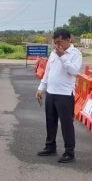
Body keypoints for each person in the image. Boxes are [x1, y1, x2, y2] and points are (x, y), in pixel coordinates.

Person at [35, 29, 82, 163]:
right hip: (51, 92)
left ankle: (69, 152)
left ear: (69, 40)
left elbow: (73, 71)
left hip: (65, 94)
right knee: (50, 121)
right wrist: (41, 88)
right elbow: (47, 72)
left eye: (60, 42)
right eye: (55, 43)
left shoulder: (75, 54)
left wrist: (63, 56)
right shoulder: (53, 53)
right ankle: (50, 147)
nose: (57, 46)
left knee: (67, 124)